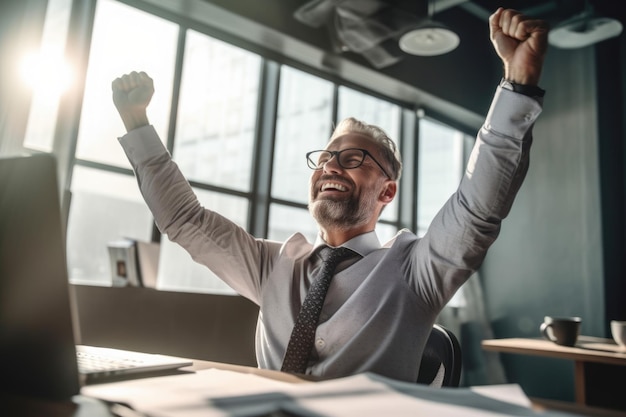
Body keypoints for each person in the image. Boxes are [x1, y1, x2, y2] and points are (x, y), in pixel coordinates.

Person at [111, 7, 548, 383]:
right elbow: (185, 220)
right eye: (326, 157)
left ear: (388, 190)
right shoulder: (271, 265)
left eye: (355, 158)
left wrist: (518, 85)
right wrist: (137, 124)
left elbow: (477, 207)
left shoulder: (415, 269)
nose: (331, 166)